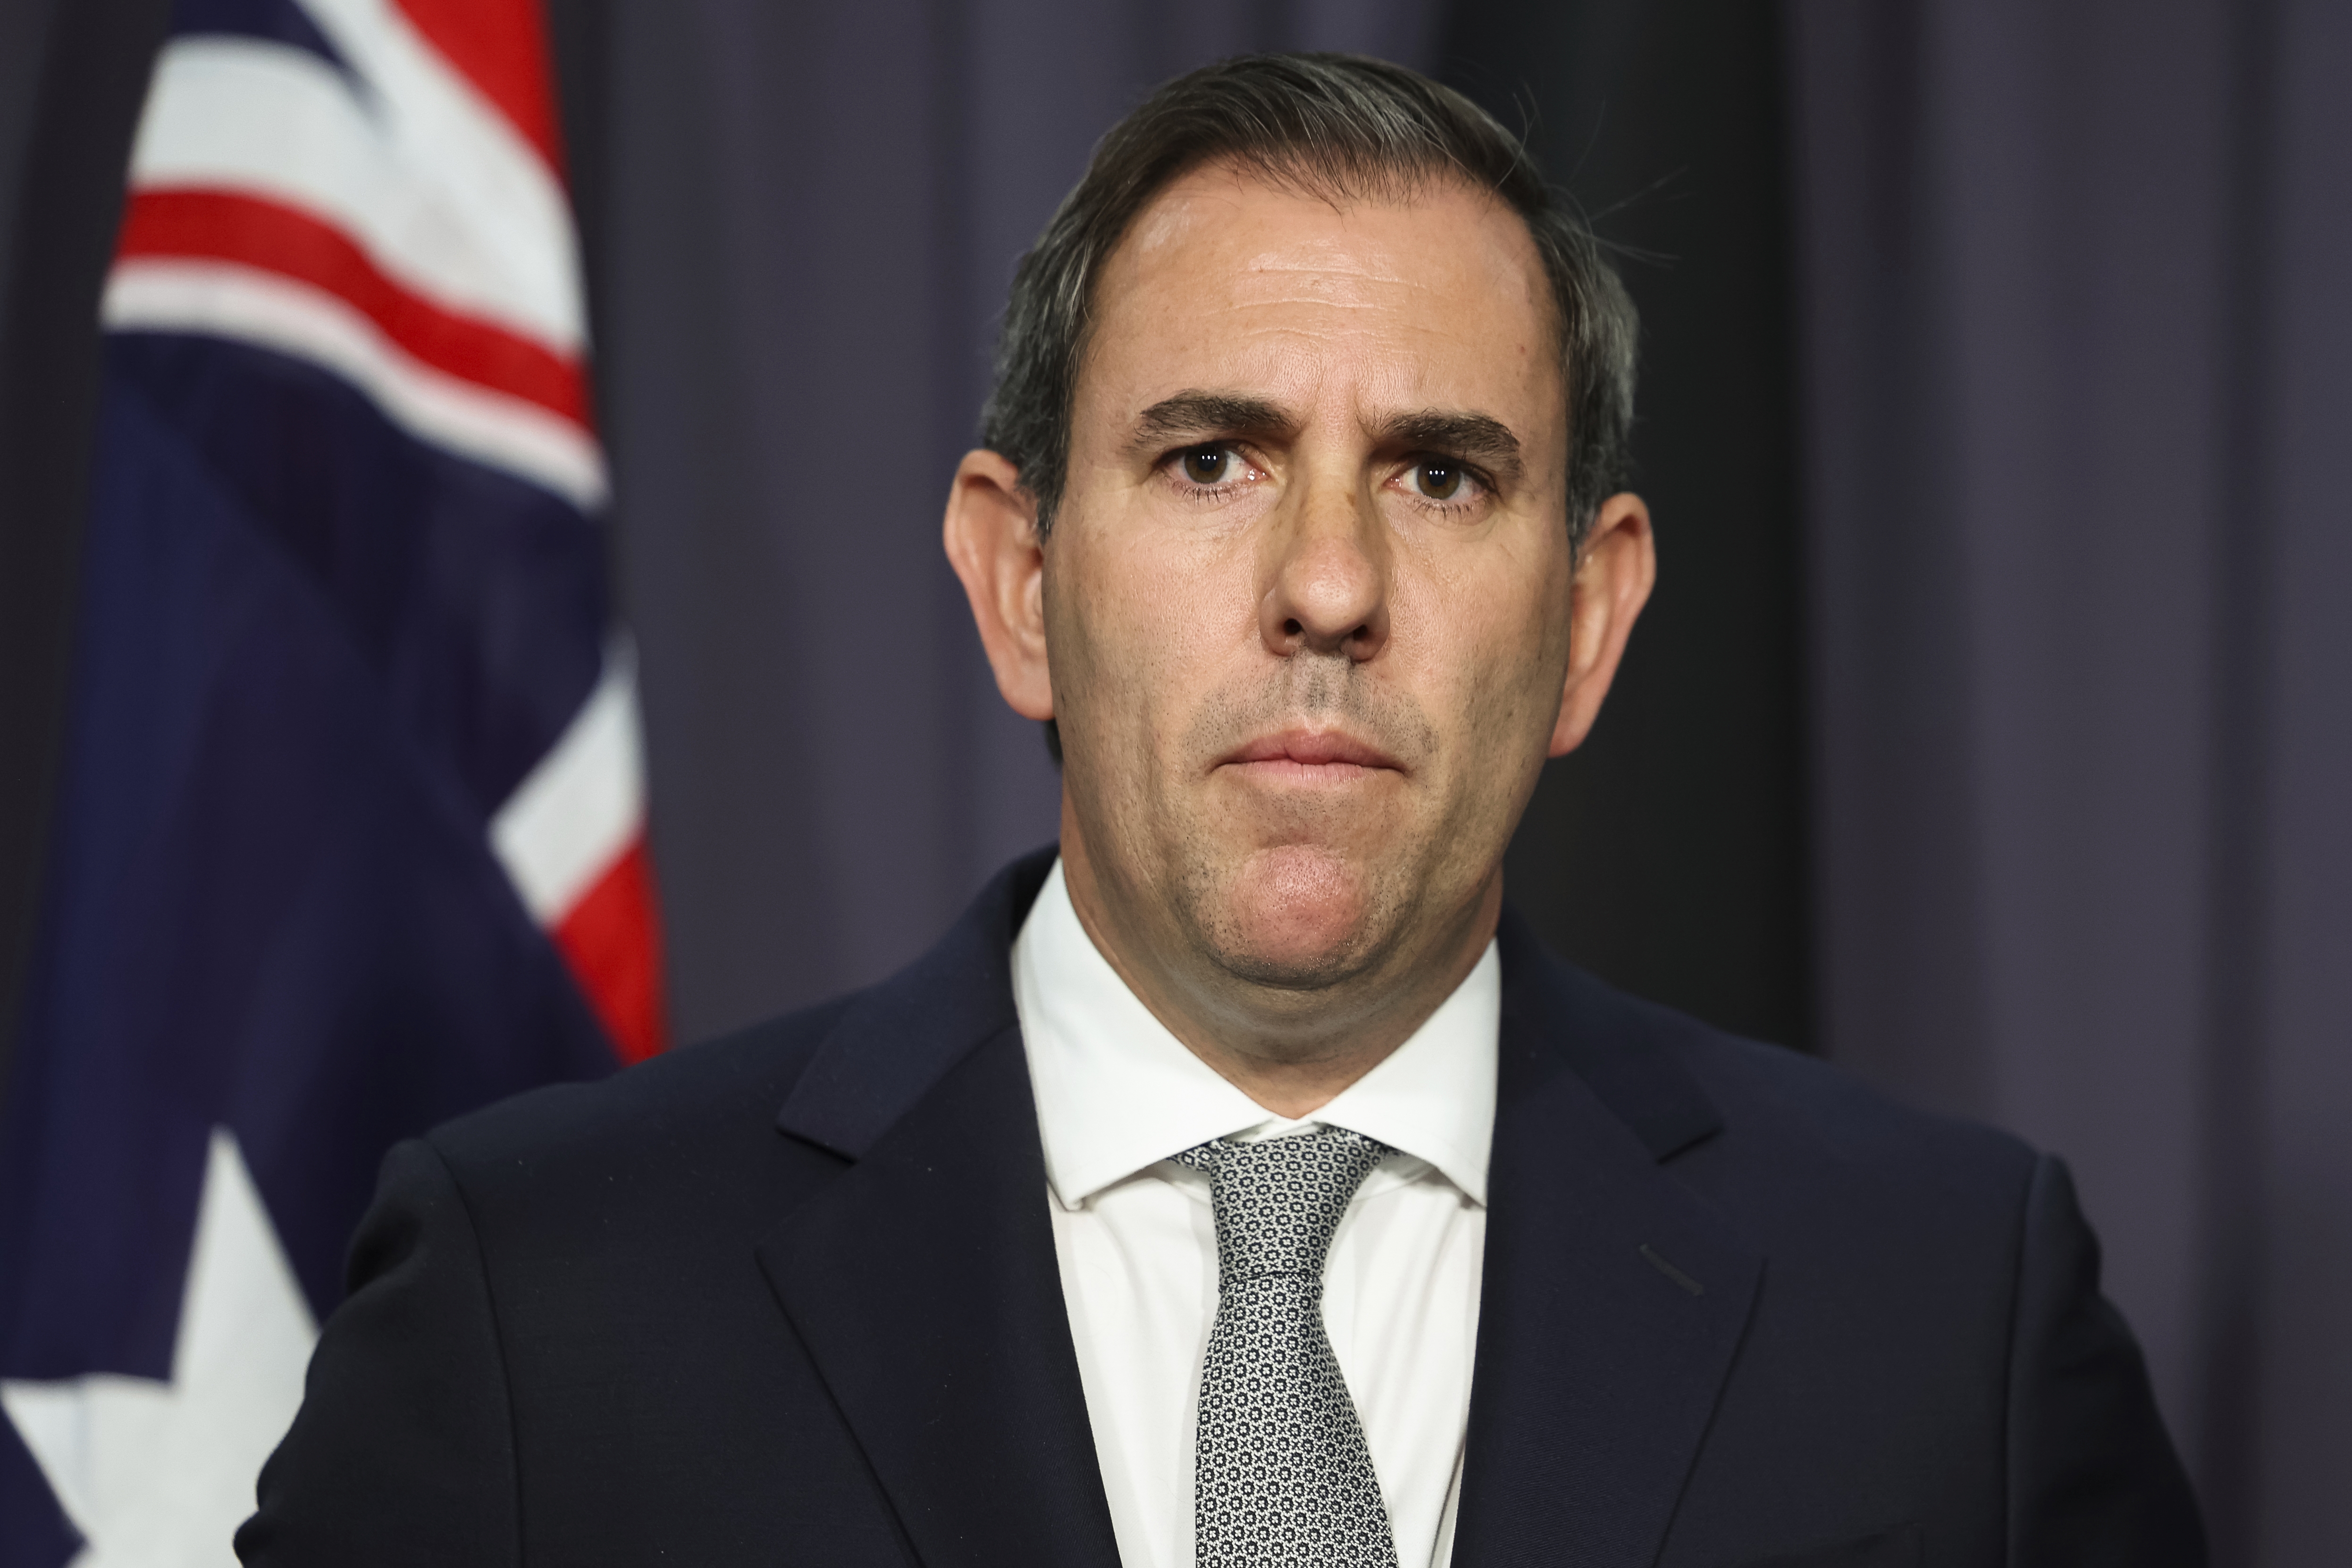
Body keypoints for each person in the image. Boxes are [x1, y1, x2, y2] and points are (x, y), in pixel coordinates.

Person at [237, 53, 2202, 1568]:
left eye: (1437, 476)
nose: (1327, 582)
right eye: (1209, 462)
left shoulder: (1945, 1315)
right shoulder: (546, 1308)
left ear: (1589, 618)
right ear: (1022, 581)